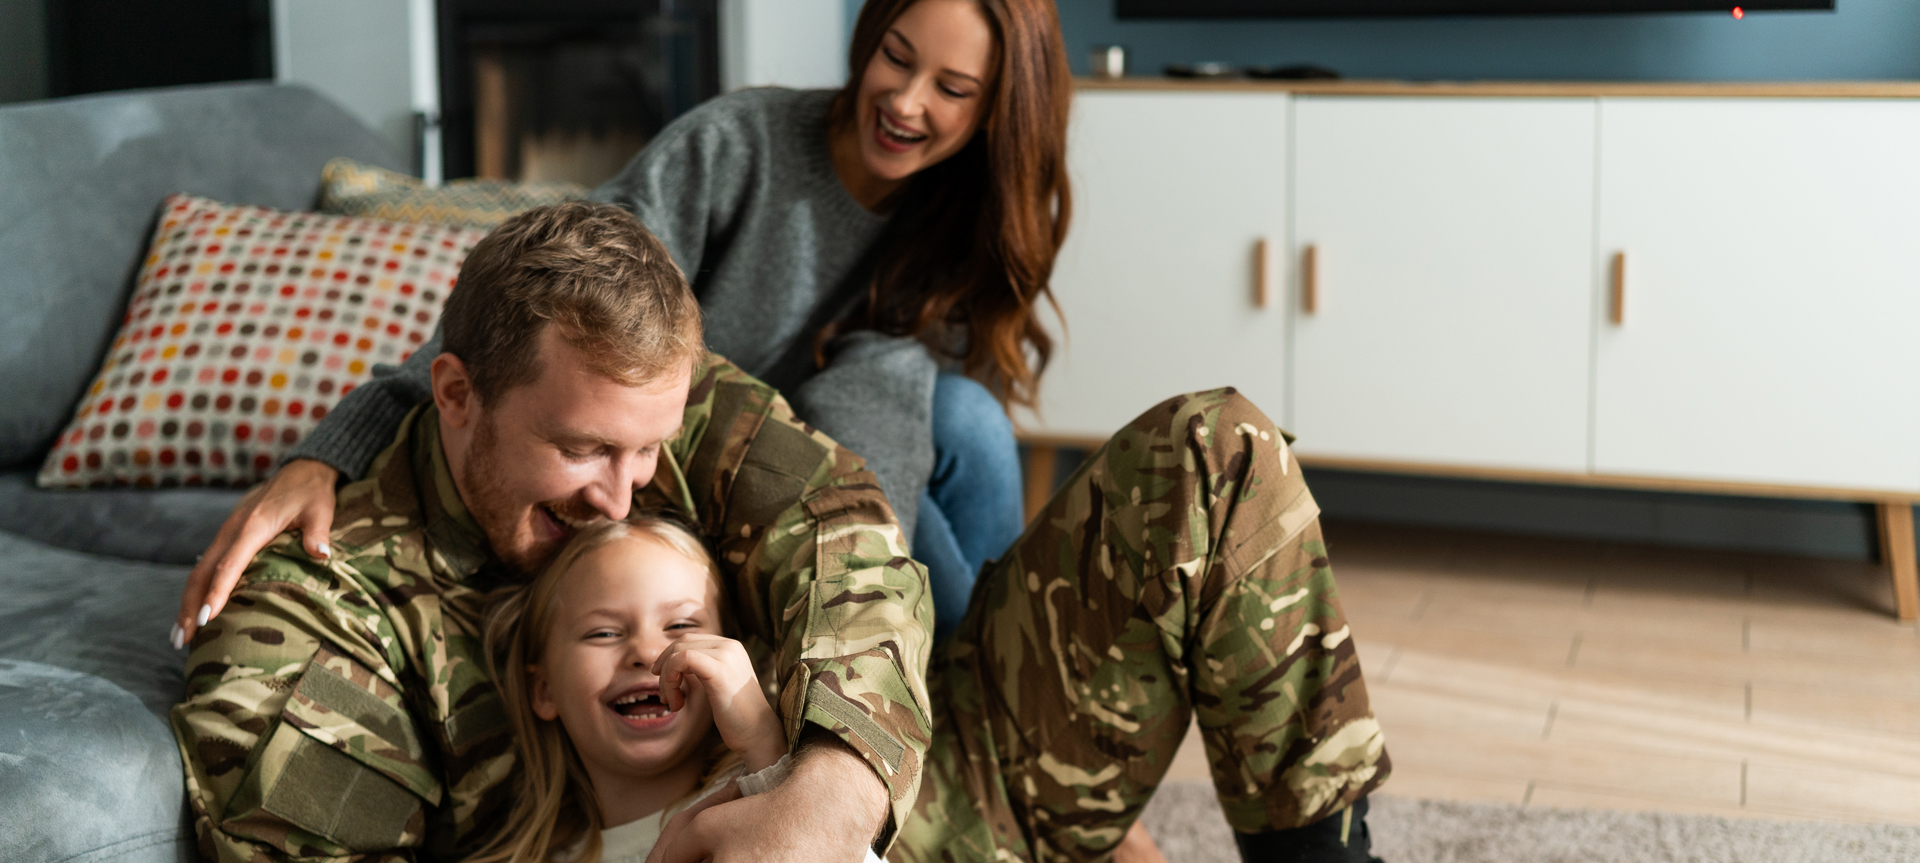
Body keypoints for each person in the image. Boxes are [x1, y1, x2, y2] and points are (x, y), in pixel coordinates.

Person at [171, 203, 1387, 863]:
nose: (623, 493)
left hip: (936, 798)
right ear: (453, 396)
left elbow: (851, 543)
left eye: (645, 452)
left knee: (1214, 448)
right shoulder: (320, 600)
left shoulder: (673, 405)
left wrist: (824, 802)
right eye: (583, 449)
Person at [171, 0, 1074, 645]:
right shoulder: (737, 144)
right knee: (979, 578)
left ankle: (1003, 691)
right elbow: (534, 311)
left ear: (997, 109)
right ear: (868, 36)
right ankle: (1012, 705)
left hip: (826, 459)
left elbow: (884, 420)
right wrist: (324, 451)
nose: (907, 100)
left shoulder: (963, 217)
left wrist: (870, 566)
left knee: (967, 423)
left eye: (953, 87)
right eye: (896, 55)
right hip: (674, 449)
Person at [473, 516, 881, 863]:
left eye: (681, 626)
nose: (648, 652)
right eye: (604, 632)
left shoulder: (773, 794)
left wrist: (765, 749)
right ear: (543, 690)